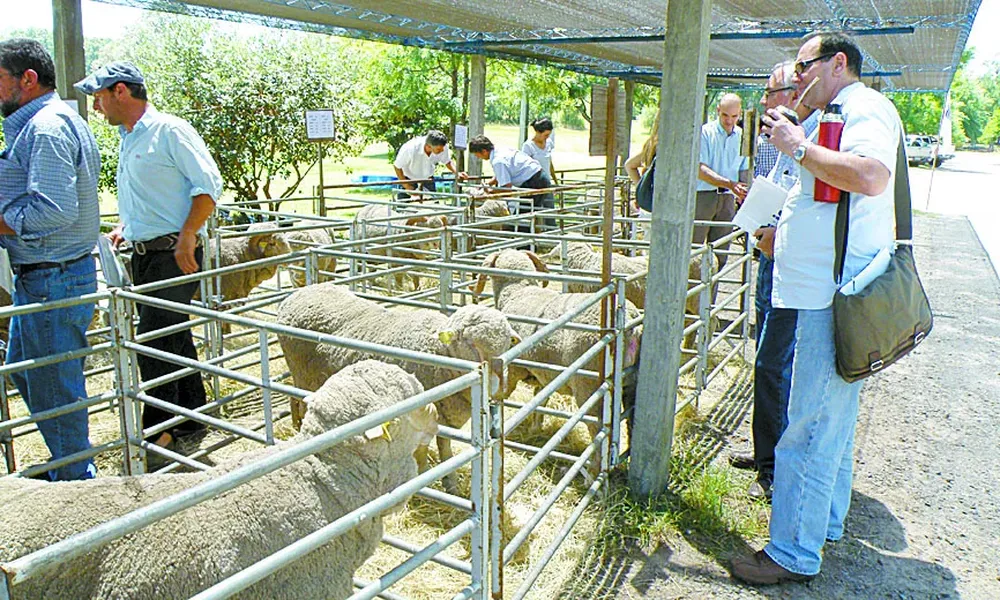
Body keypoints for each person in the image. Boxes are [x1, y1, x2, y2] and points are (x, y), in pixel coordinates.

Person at [731, 32, 901, 584]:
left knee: (807, 423)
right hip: (824, 289)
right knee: (831, 420)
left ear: (837, 62)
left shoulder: (863, 107)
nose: (797, 77)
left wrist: (797, 146)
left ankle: (791, 553)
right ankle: (822, 523)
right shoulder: (837, 110)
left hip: (834, 292)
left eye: (804, 66)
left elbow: (871, 176)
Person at [75, 62, 223, 461]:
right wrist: (128, 225)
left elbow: (208, 186)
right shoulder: (130, 138)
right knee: (171, 333)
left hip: (177, 251)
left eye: (99, 96)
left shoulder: (169, 131)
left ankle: (159, 431)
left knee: (154, 340)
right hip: (147, 252)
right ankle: (191, 414)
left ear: (120, 91)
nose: (96, 105)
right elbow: (152, 196)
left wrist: (188, 234)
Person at [0, 39, 100, 481]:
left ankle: (77, 481)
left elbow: (54, 209)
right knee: (28, 370)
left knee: (56, 388)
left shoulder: (46, 128)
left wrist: (1, 222)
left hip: (51, 276)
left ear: (28, 79)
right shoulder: (52, 121)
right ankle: (68, 461)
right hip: (49, 274)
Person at [728, 61, 820, 501]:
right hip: (770, 254)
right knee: (766, 358)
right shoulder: (777, 138)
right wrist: (757, 201)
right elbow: (782, 187)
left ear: (791, 92)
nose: (763, 102)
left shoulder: (812, 134)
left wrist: (778, 231)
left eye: (770, 92)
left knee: (772, 362)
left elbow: (817, 206)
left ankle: (774, 467)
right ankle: (768, 449)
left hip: (791, 263)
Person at [695, 93, 749, 269]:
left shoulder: (743, 135)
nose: (729, 120)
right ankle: (689, 295)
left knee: (721, 256)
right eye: (725, 115)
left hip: (727, 199)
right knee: (693, 252)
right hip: (703, 196)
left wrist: (744, 193)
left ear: (740, 114)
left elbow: (744, 169)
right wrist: (730, 184)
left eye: (734, 116)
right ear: (718, 111)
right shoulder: (705, 132)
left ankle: (710, 297)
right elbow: (700, 170)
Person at [468, 134, 555, 229]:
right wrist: (489, 184)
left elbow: (507, 188)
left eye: (477, 155)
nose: (478, 157)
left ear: (484, 151)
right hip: (539, 177)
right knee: (530, 214)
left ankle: (524, 242)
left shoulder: (498, 161)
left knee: (523, 219)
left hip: (534, 182)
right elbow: (502, 174)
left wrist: (490, 192)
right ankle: (532, 239)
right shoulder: (500, 150)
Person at [393, 130, 466, 199]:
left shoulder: (442, 146)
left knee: (433, 208)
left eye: (442, 149)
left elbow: (447, 161)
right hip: (408, 179)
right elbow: (397, 166)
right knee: (403, 208)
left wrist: (456, 173)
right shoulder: (410, 148)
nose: (442, 151)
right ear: (428, 146)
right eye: (438, 150)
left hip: (428, 179)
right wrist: (406, 185)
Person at [521, 117, 557, 184]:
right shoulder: (528, 146)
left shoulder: (549, 143)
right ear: (538, 132)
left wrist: (555, 181)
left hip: (546, 182)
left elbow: (549, 163)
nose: (547, 137)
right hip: (533, 184)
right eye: (546, 135)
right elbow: (524, 168)